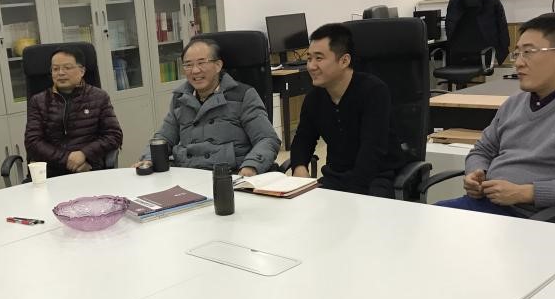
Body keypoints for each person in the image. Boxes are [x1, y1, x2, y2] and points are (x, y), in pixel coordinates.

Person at [435, 15, 555, 221]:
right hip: (487, 207)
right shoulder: (514, 103)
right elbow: (482, 150)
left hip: (543, 220)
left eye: (529, 52)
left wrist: (527, 193)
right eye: (517, 53)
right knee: (423, 223)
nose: (518, 63)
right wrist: (476, 172)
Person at [289, 23, 405, 196]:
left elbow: (372, 150)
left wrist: (350, 197)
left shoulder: (373, 91)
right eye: (309, 58)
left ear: (344, 61)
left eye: (319, 58)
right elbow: (303, 138)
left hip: (376, 177)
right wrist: (299, 168)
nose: (311, 66)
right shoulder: (314, 98)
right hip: (335, 177)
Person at [136, 38, 279, 176]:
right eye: (188, 65)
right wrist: (148, 159)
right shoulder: (180, 98)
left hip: (229, 176)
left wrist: (251, 166)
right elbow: (164, 138)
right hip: (187, 175)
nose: (195, 70)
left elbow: (267, 139)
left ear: (218, 65)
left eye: (201, 63)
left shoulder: (243, 96)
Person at [24, 46, 123, 177]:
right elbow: (32, 142)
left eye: (67, 68)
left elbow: (114, 135)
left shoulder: (99, 97)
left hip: (89, 170)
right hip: (50, 175)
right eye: (55, 69)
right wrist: (67, 159)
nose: (61, 73)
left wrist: (84, 154)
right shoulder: (38, 101)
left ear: (82, 71)